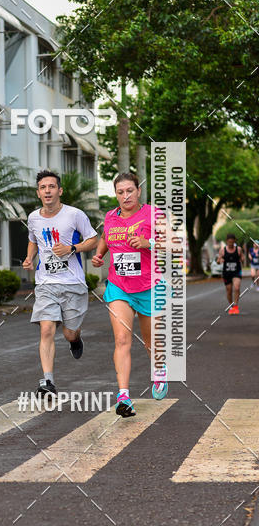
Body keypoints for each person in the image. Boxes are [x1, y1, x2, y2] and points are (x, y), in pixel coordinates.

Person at [92, 172, 168, 417]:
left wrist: (149, 243)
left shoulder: (153, 214)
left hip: (148, 287)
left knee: (149, 342)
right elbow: (106, 237)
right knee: (122, 340)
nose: (125, 196)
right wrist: (100, 254)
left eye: (129, 191)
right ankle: (123, 396)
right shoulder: (110, 216)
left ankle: (159, 371)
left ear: (138, 191)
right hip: (119, 286)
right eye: (120, 192)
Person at [23, 170, 98, 397]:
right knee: (46, 329)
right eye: (43, 187)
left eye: (52, 186)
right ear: (38, 193)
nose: (48, 190)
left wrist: (71, 249)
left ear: (60, 191)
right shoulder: (33, 218)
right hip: (46, 283)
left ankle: (75, 339)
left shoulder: (75, 215)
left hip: (73, 283)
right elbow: (32, 241)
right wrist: (29, 258)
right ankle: (48, 382)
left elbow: (93, 239)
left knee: (69, 333)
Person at [217, 233, 244, 313]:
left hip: (236, 271)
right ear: (227, 241)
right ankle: (231, 305)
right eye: (229, 242)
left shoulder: (238, 249)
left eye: (232, 242)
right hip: (227, 273)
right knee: (229, 291)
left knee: (236, 288)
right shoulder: (222, 250)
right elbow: (218, 260)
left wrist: (242, 259)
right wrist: (220, 261)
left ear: (234, 241)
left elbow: (242, 257)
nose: (231, 244)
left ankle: (235, 306)